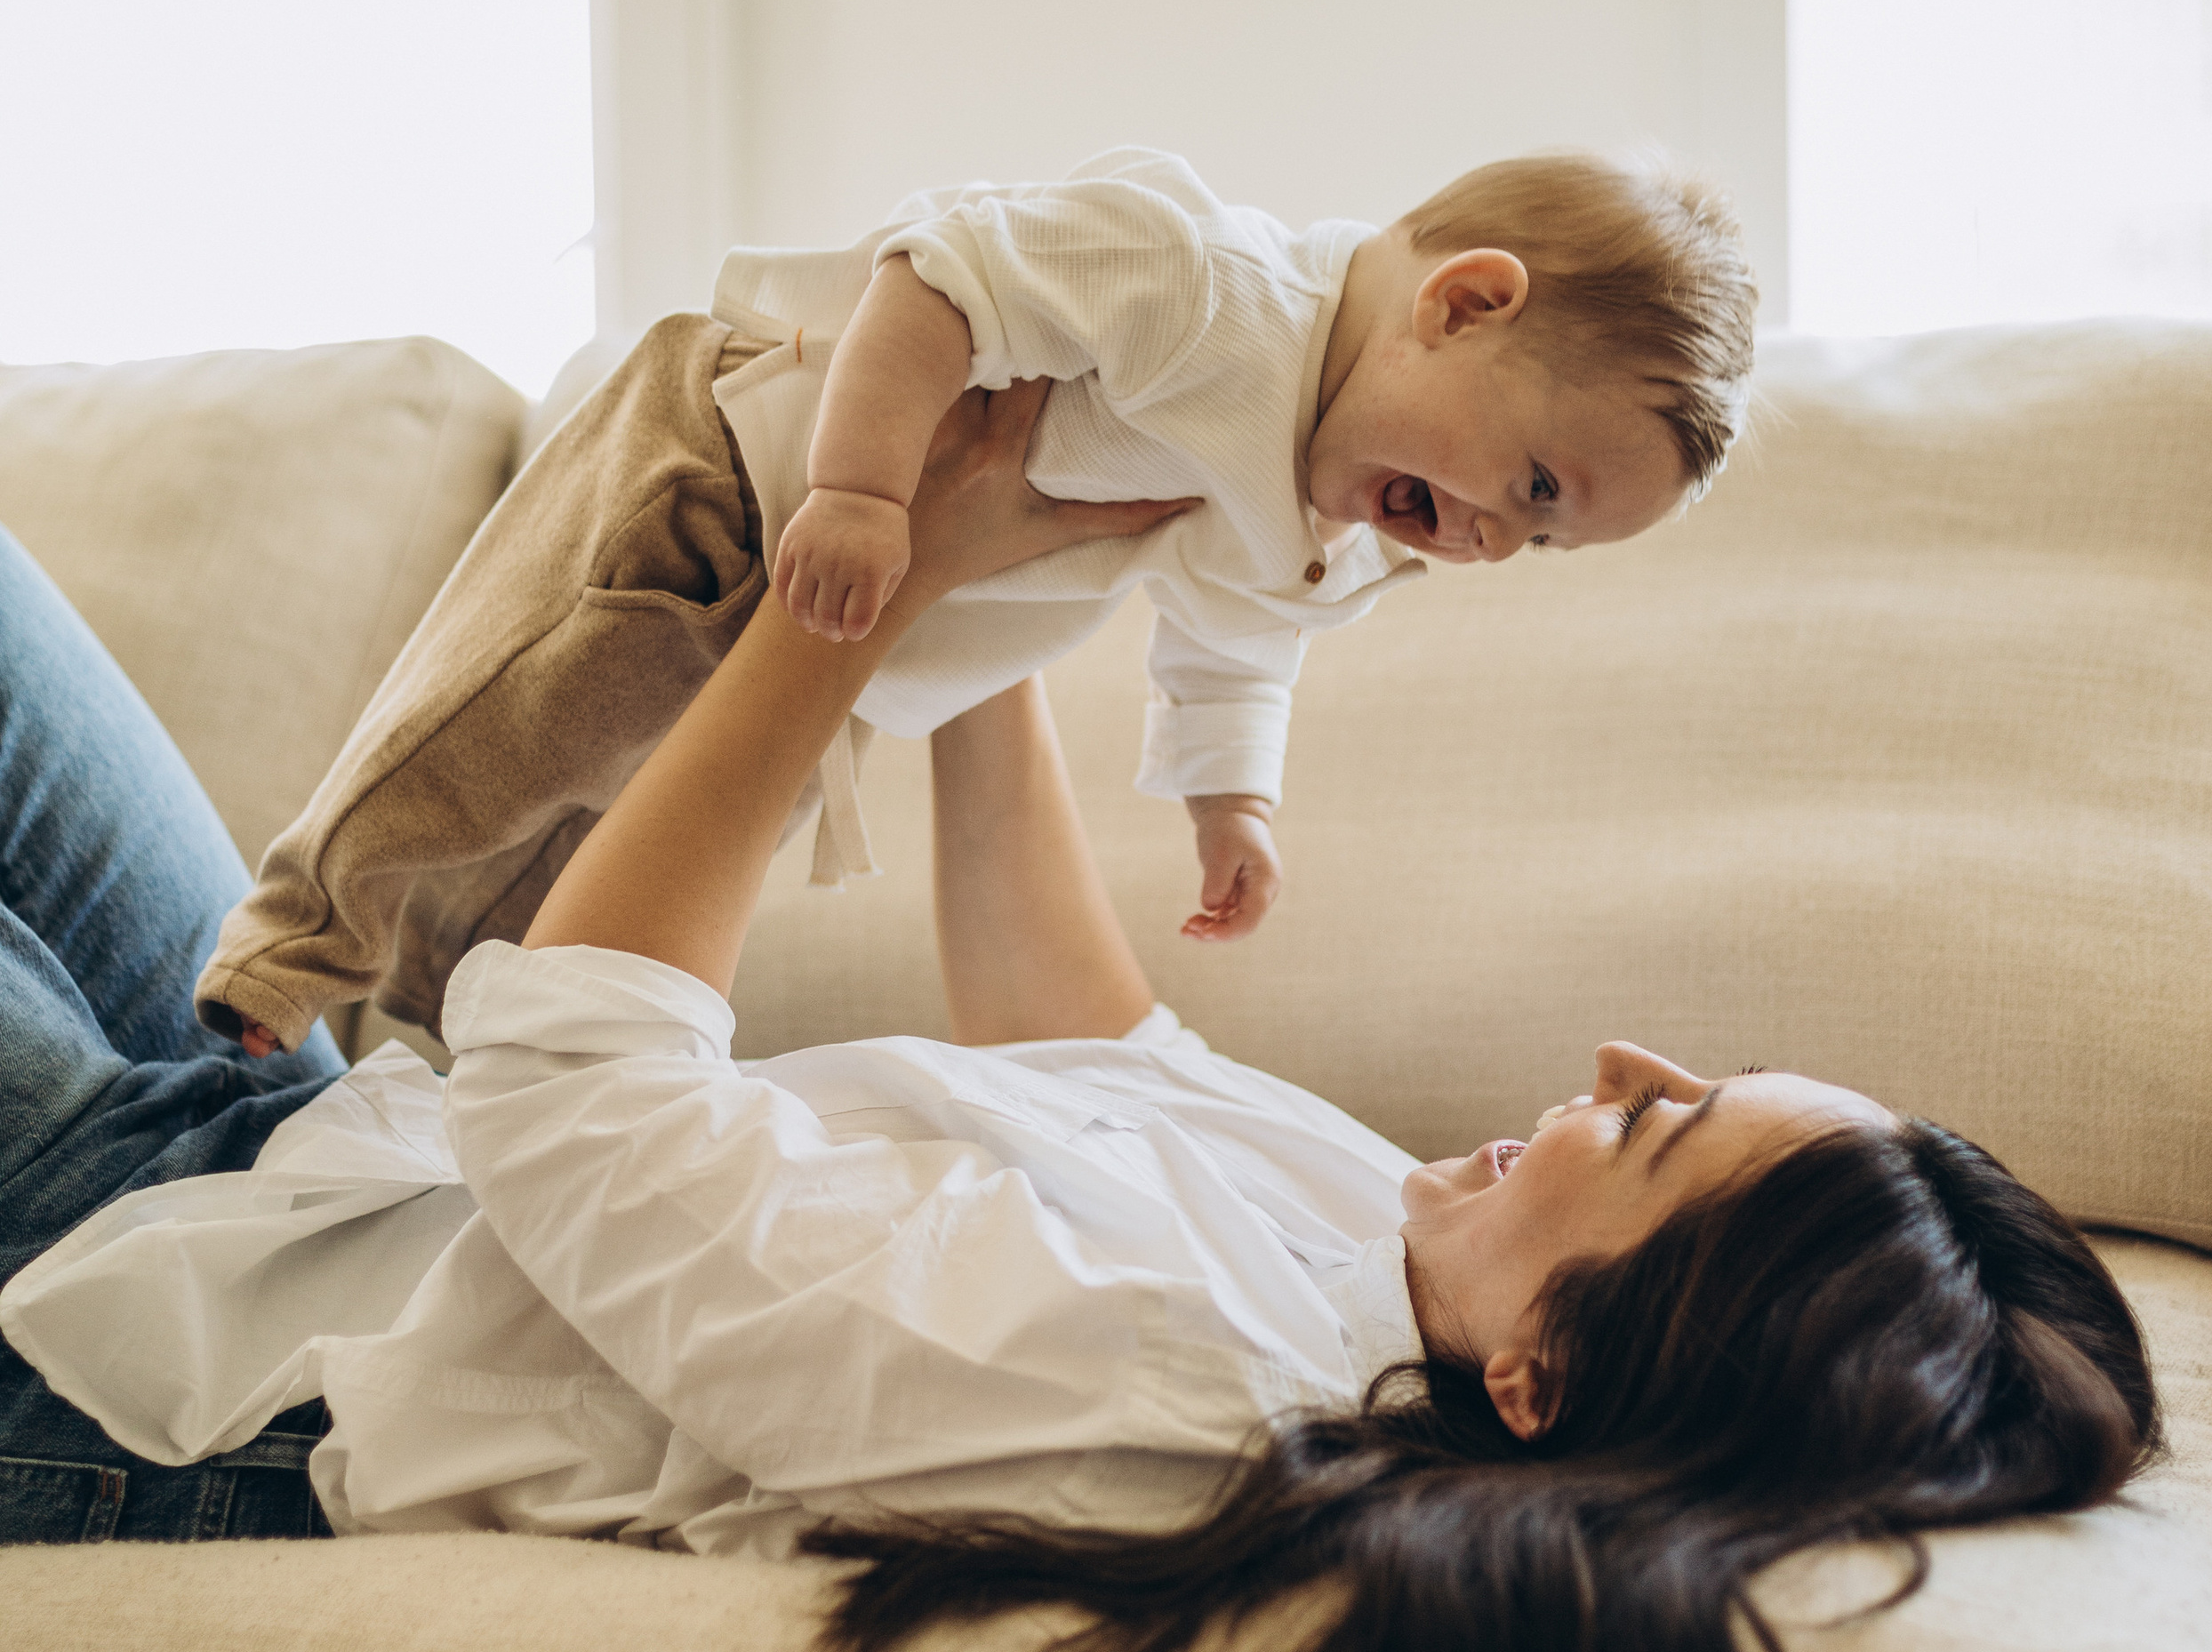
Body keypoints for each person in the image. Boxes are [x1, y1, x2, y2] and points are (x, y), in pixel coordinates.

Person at [0, 392, 2155, 1652]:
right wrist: (999, 598)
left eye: (1664, 1134)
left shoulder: (1172, 1389)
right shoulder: (1392, 1244)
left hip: (147, 1345)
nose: (1618, 1068)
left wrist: (849, 615)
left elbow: (578, 1089)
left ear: (1547, 1375)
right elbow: (1084, 1046)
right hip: (307, 1147)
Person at [190, 143, 1756, 1058]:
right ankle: (289, 944)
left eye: (1540, 546)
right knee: (507, 725)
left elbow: (1236, 649)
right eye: (1534, 485)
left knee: (557, 889)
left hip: (840, 651)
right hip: (727, 476)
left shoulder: (1331, 537)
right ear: (1465, 303)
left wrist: (1235, 803)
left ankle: (392, 1063)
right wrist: (868, 493)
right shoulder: (1206, 280)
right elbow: (938, 279)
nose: (1489, 541)